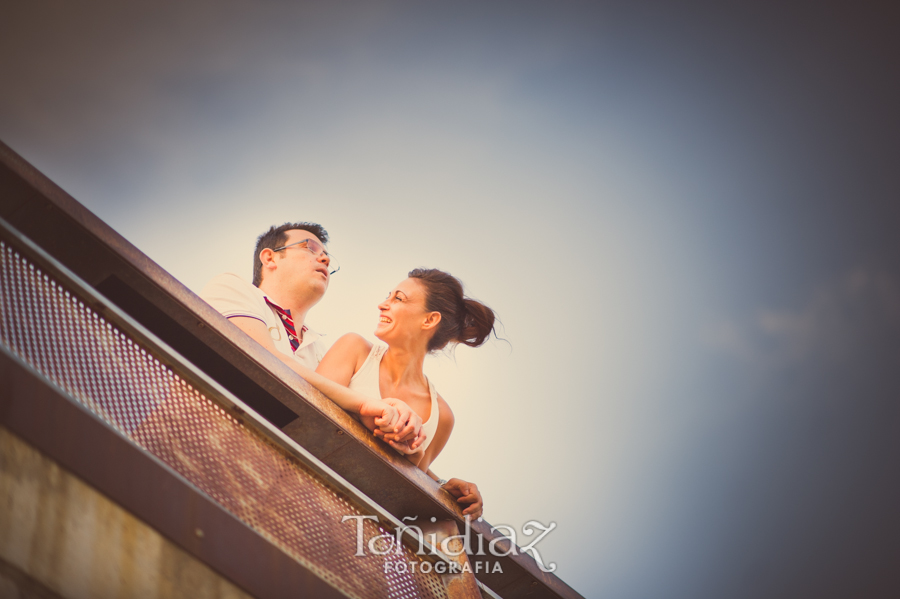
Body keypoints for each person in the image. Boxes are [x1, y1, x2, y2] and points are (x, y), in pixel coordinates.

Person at [201, 222, 423, 443]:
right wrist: (364, 404)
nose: (325, 259)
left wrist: (401, 428)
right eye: (310, 248)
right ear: (270, 258)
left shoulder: (320, 352)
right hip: (198, 439)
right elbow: (264, 359)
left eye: (327, 256)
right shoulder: (233, 288)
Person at [316, 268, 494, 519]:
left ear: (429, 320)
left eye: (398, 298)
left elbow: (406, 493)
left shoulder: (441, 418)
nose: (382, 304)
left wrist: (443, 487)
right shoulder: (354, 350)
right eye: (388, 296)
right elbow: (309, 410)